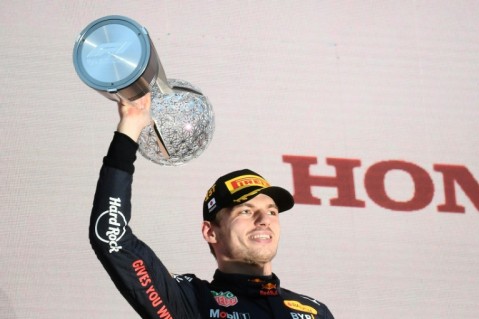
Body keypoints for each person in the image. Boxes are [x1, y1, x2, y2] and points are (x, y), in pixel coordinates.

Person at [89, 93, 335, 319]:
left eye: (271, 211)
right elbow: (112, 239)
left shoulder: (314, 312)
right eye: (246, 211)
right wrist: (131, 126)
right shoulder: (192, 300)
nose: (264, 219)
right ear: (210, 231)